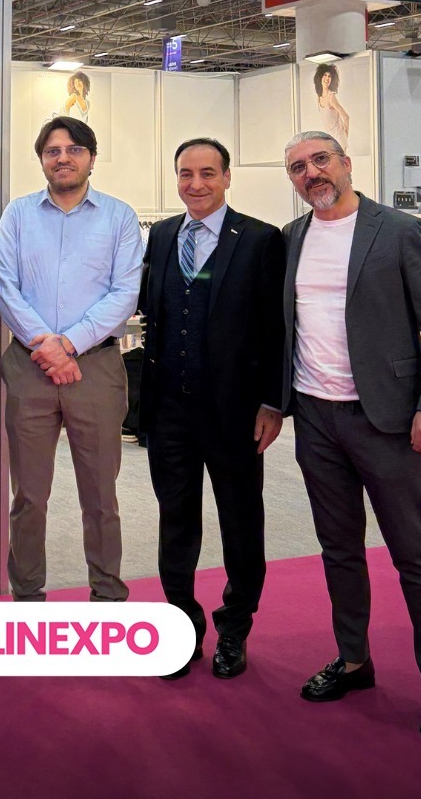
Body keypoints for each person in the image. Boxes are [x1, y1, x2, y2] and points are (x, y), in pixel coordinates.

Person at [281, 130, 421, 744]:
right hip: (316, 417)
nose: (311, 173)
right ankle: (354, 661)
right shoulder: (293, 237)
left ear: (346, 163)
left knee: (414, 556)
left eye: (320, 160)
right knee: (338, 550)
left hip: (385, 419)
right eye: (298, 167)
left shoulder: (401, 231)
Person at [139, 138, 285, 680]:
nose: (195, 183)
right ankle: (182, 627)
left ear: (226, 178)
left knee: (240, 523)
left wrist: (272, 402)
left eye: (207, 173)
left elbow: (276, 330)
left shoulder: (260, 239)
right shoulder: (162, 235)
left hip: (235, 412)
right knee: (175, 522)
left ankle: (235, 628)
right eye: (185, 173)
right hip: (169, 410)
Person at [0, 116, 141, 602]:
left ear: (91, 158)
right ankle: (27, 596)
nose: (63, 158)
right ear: (41, 159)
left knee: (100, 496)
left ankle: (107, 596)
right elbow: (4, 287)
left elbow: (125, 293)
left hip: (95, 369)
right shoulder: (18, 215)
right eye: (52, 150)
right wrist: (48, 346)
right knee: (29, 496)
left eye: (74, 149)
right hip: (30, 368)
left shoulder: (119, 217)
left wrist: (70, 344)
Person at [313, 62, 349, 153]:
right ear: (320, 78)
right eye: (325, 75)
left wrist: (345, 136)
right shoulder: (319, 98)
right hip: (329, 140)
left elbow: (346, 117)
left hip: (339, 139)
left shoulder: (331, 97)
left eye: (329, 76)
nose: (327, 78)